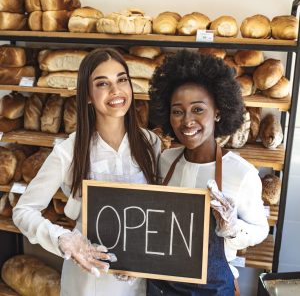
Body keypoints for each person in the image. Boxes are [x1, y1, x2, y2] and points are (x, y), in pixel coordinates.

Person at [13, 48, 161, 296]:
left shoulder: (150, 143)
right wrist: (63, 239)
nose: (116, 91)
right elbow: (23, 211)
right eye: (102, 83)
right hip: (89, 278)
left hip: (137, 276)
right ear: (89, 96)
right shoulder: (69, 150)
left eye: (121, 79)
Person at [147, 49, 269, 295]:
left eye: (198, 109)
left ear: (218, 112)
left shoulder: (241, 173)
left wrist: (232, 227)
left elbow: (260, 230)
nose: (187, 121)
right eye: (178, 111)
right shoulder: (165, 161)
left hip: (213, 289)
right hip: (163, 286)